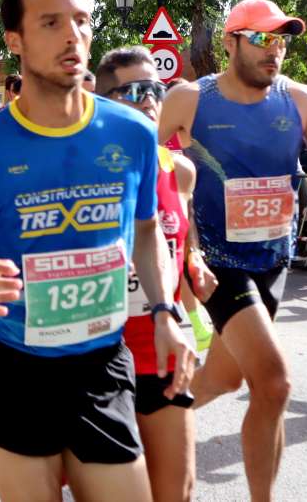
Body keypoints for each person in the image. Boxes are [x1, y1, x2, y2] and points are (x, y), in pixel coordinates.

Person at [0, 0, 194, 498]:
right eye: (51, 23)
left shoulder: (134, 133)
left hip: (100, 362)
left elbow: (145, 233)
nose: (72, 35)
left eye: (81, 20)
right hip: (11, 370)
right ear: (16, 41)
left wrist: (165, 310)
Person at [158, 0, 307, 502]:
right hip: (217, 264)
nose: (274, 50)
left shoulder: (300, 100)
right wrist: (179, 243)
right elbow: (140, 167)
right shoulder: (191, 99)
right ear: (230, 42)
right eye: (260, 39)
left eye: (281, 40)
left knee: (225, 380)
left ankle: (150, 422)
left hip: (273, 261)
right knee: (273, 383)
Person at [96, 46, 216, 502]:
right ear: (104, 101)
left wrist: (195, 262)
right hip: (98, 354)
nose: (149, 99)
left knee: (177, 491)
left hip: (163, 347)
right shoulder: (85, 171)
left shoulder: (181, 170)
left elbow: (179, 237)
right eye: (134, 90)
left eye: (156, 88)